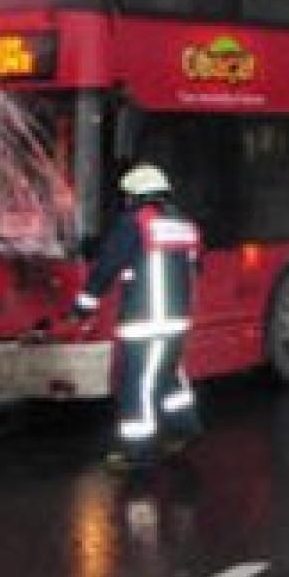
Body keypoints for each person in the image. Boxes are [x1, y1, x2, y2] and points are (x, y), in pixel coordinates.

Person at [68, 163, 203, 470]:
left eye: (127, 196)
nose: (125, 202)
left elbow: (106, 268)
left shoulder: (134, 223)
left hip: (146, 323)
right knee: (169, 375)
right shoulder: (183, 224)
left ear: (136, 196)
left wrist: (83, 307)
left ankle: (137, 452)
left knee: (137, 384)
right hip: (177, 321)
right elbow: (195, 266)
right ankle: (184, 427)